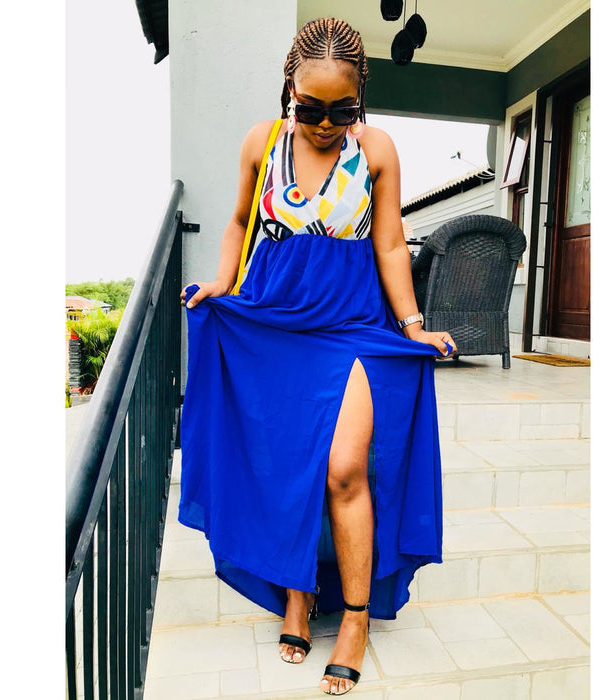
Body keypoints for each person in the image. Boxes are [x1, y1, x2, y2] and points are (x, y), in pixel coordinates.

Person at [178, 17, 456, 696]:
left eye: (342, 109)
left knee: (343, 468)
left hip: (353, 324)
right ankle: (297, 595)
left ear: (360, 97)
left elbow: (389, 243)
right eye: (311, 109)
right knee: (286, 466)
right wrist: (222, 283)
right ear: (290, 90)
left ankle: (355, 617)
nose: (326, 124)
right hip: (273, 324)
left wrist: (413, 325)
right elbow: (240, 222)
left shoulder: (376, 149)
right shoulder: (262, 142)